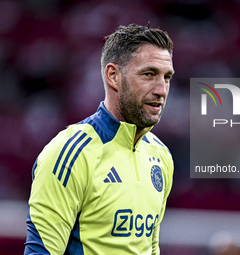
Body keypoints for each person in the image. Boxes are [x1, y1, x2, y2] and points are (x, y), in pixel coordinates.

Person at [24, 23, 175, 255]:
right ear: (113, 76)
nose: (161, 90)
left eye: (166, 78)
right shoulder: (69, 153)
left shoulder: (161, 156)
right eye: (149, 74)